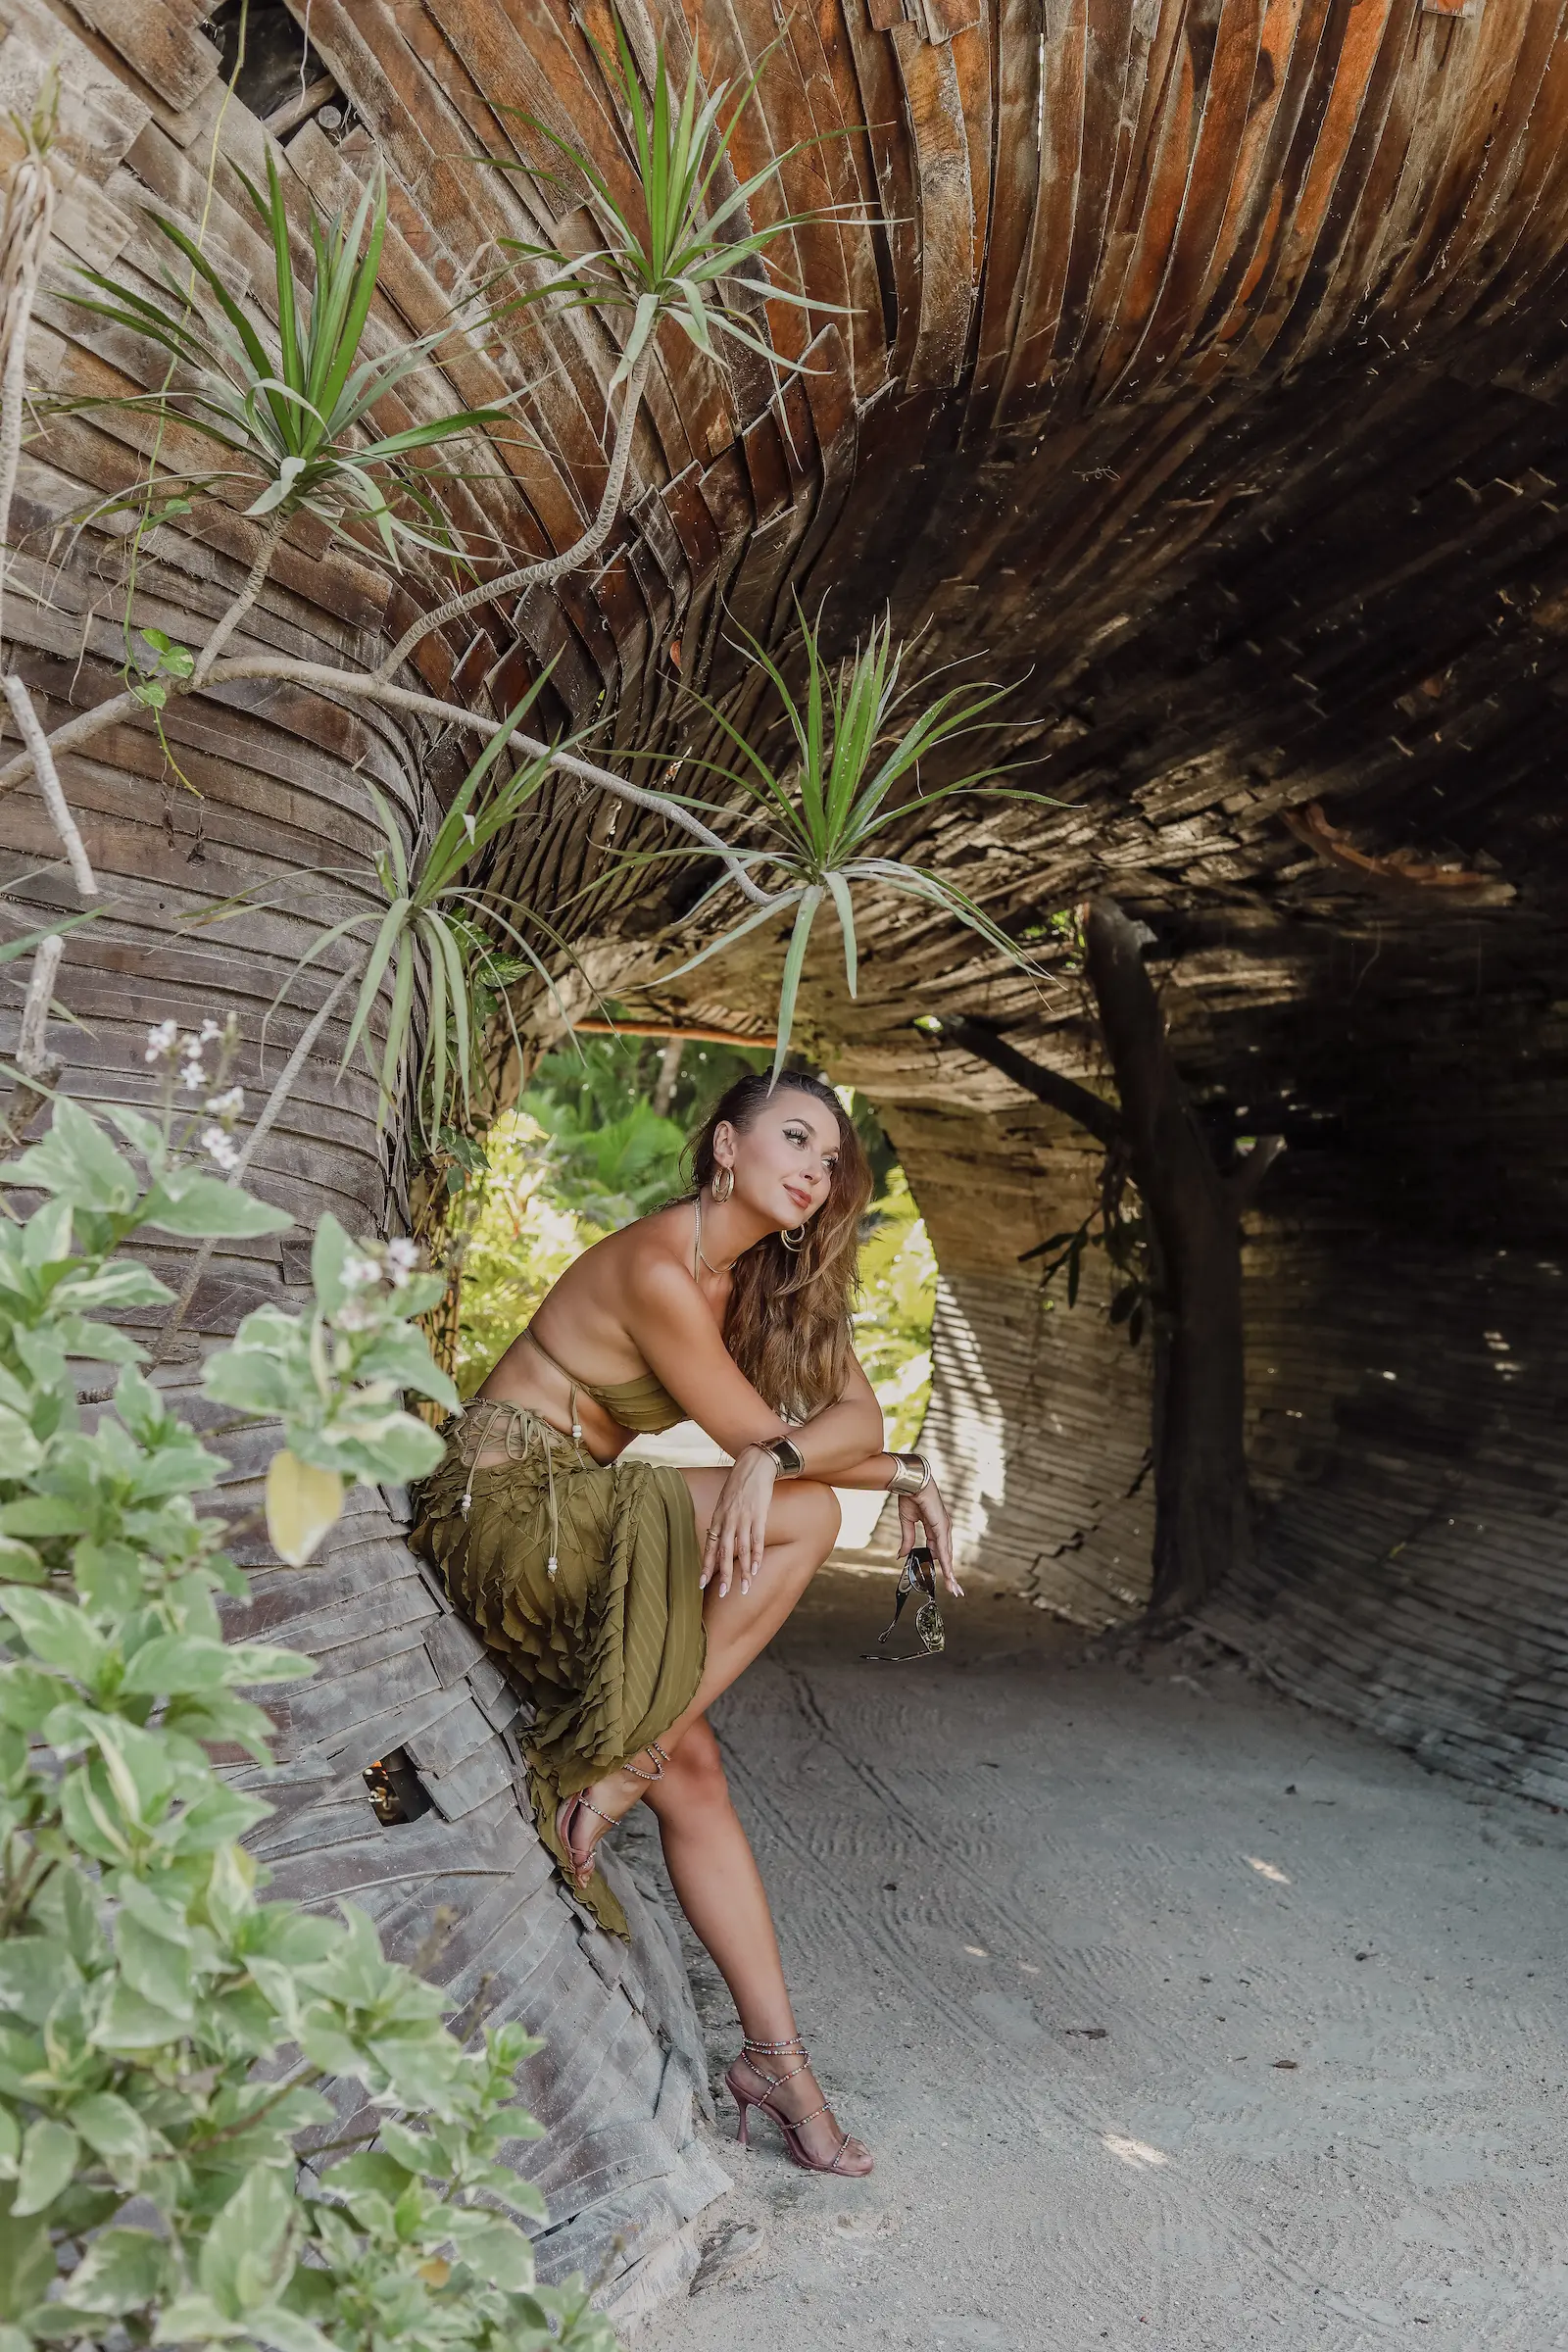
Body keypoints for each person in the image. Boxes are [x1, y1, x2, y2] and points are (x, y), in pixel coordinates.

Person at [411, 1070, 958, 2177]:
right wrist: (891, 1473)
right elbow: (767, 1438)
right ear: (724, 1149)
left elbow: (851, 1413)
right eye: (793, 1139)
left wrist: (841, 1455)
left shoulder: (761, 1278)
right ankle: (615, 1764)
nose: (817, 1167)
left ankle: (776, 2065)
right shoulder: (662, 1265)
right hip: (508, 1514)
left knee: (695, 1769)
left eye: (831, 1156)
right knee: (805, 1508)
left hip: (581, 1516)